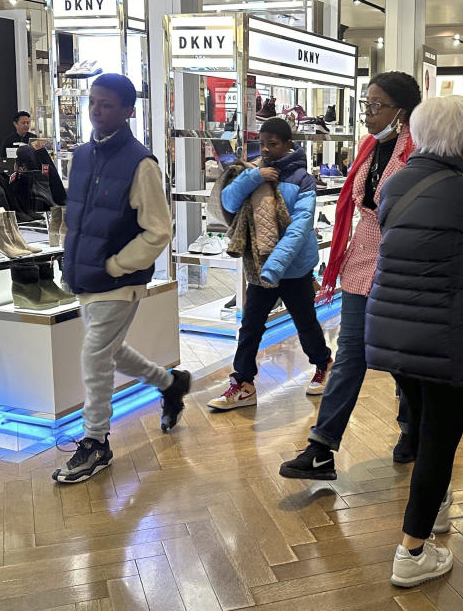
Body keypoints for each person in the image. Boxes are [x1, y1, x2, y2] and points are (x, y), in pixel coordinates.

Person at [365, 95, 463, 587]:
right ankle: (411, 552)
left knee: (420, 423)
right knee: (440, 438)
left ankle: (432, 513)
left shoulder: (395, 184)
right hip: (448, 333)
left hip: (391, 326)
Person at [279, 71, 422, 478]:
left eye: (376, 106)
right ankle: (321, 447)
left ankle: (412, 427)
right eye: (366, 105)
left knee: (400, 356)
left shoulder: (419, 150)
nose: (368, 114)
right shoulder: (368, 147)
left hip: (400, 263)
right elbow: (358, 201)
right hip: (361, 259)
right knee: (351, 352)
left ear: (402, 111)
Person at [52, 74, 191, 484]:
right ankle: (170, 383)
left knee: (95, 355)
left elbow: (159, 230)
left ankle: (96, 441)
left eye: (107, 104)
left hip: (119, 280)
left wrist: (116, 265)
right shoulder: (80, 156)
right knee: (109, 349)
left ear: (129, 111)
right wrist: (70, 258)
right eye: (93, 102)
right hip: (84, 276)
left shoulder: (141, 163)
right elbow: (75, 216)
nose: (97, 110)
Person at [206, 117, 333, 410]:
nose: (266, 149)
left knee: (305, 322)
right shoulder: (254, 171)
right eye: (262, 144)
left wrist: (275, 266)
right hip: (260, 267)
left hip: (294, 267)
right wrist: (255, 177)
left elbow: (300, 227)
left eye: (273, 144)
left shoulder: (303, 179)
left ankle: (323, 363)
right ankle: (243, 383)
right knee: (250, 325)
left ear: (288, 145)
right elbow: (228, 201)